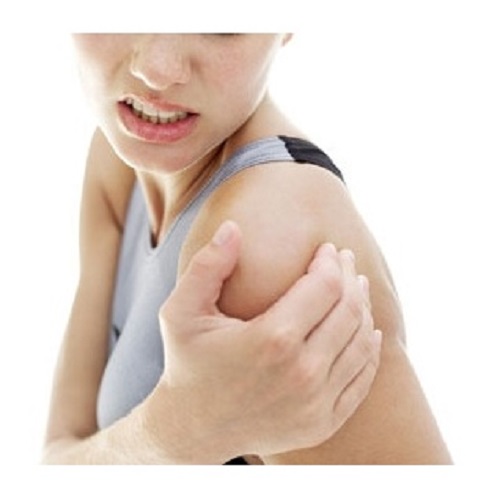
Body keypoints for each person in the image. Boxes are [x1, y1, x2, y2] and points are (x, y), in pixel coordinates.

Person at [42, 34, 450, 464]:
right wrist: (174, 432)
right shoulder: (119, 153)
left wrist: (172, 437)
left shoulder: (264, 245)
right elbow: (56, 454)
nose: (158, 71)